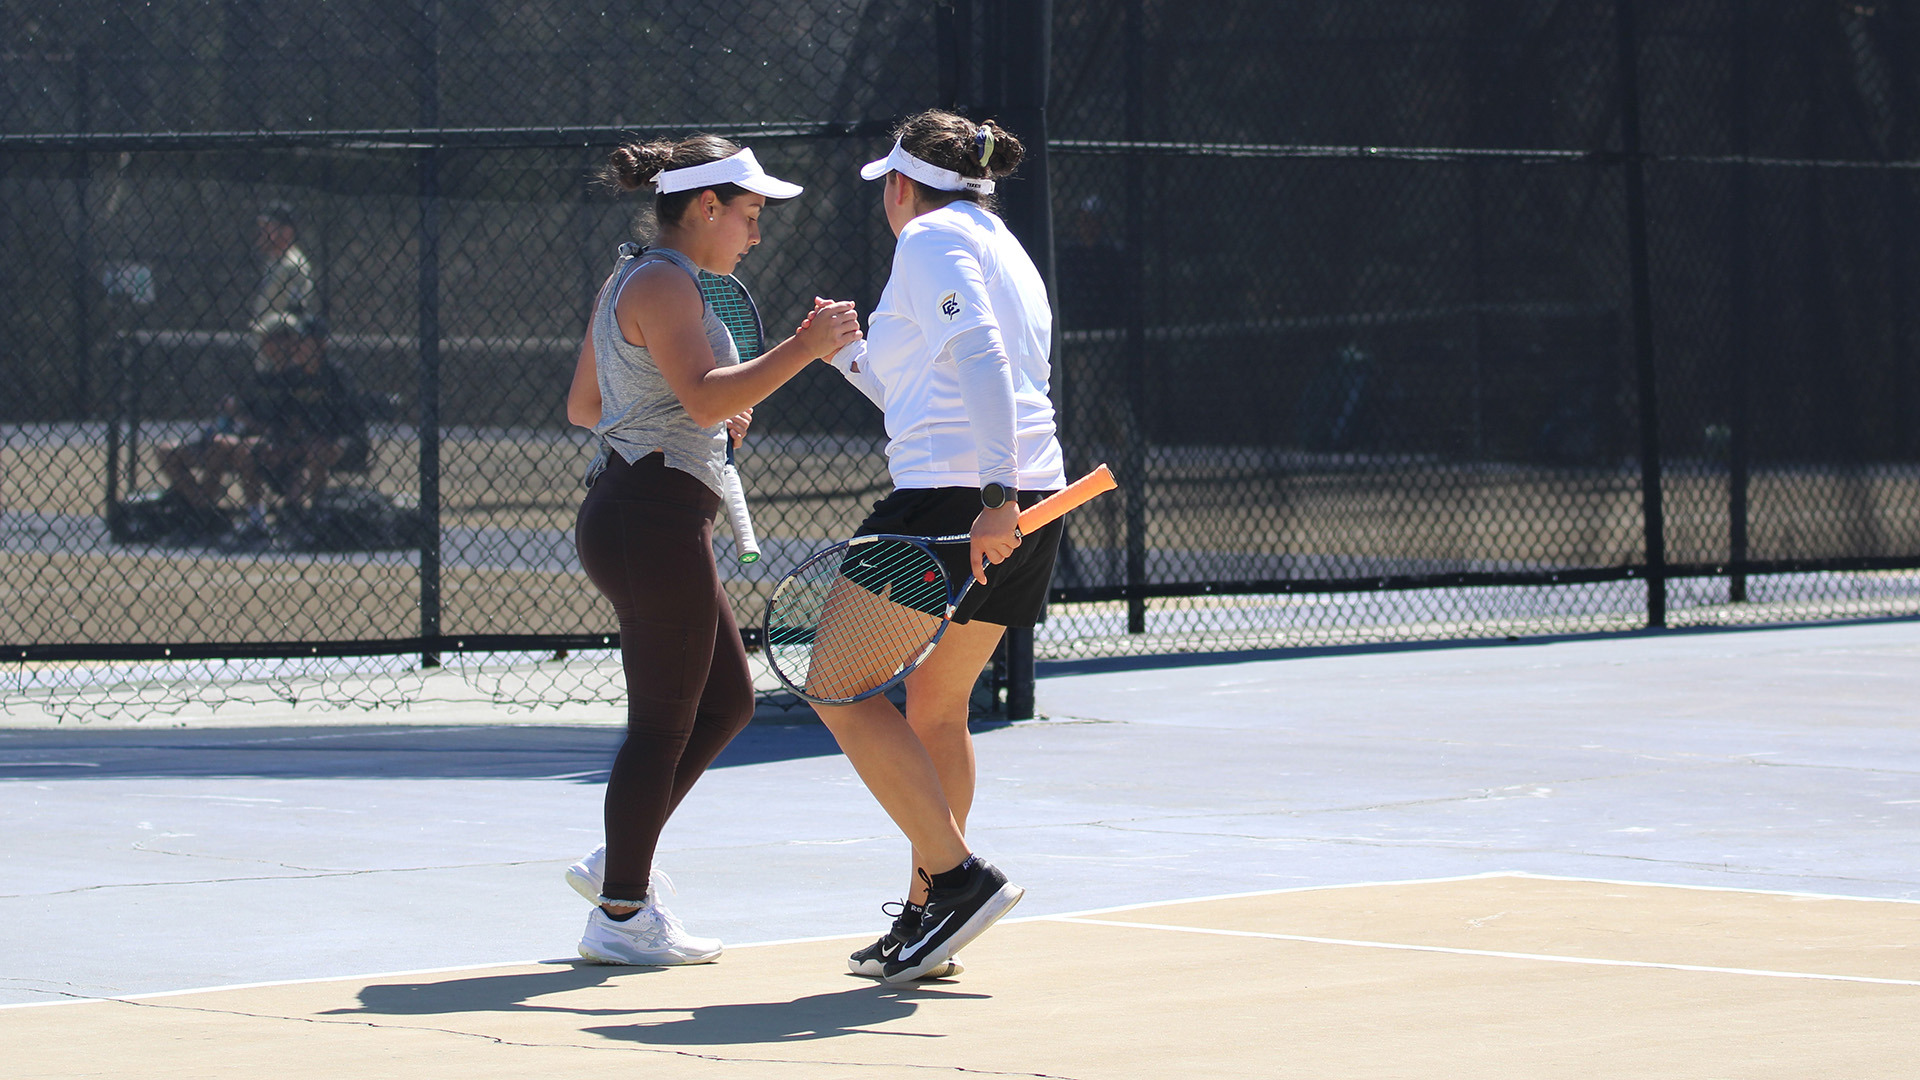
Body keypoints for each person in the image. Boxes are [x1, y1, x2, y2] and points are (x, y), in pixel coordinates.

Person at [560, 135, 862, 966]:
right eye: (750, 215)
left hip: (644, 513)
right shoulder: (662, 280)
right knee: (661, 727)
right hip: (648, 518)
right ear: (705, 208)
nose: (756, 234)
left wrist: (697, 409)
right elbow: (694, 398)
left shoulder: (634, 277)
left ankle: (619, 860)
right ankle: (620, 912)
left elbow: (590, 404)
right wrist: (802, 347)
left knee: (726, 703)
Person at [807, 110, 1070, 984]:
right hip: (1034, 496)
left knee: (837, 688)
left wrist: (991, 494)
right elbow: (926, 387)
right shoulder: (1001, 245)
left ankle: (954, 881)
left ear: (901, 187)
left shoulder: (924, 242)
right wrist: (843, 355)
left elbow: (982, 360)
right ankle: (932, 916)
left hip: (962, 502)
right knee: (936, 706)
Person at [251, 201, 318, 368]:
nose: (263, 232)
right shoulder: (274, 262)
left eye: (269, 226)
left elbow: (294, 312)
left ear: (287, 232)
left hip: (283, 351)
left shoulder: (293, 266)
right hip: (265, 347)